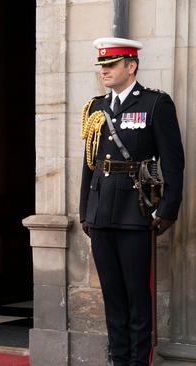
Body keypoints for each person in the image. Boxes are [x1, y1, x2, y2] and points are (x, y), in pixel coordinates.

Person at [80, 37, 185, 365]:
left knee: (138, 296)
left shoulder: (155, 104)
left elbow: (173, 161)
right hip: (100, 214)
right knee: (112, 297)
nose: (104, 72)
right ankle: (118, 358)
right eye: (102, 67)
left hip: (135, 213)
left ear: (131, 65)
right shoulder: (96, 107)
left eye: (111, 65)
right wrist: (85, 210)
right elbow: (89, 163)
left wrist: (168, 207)